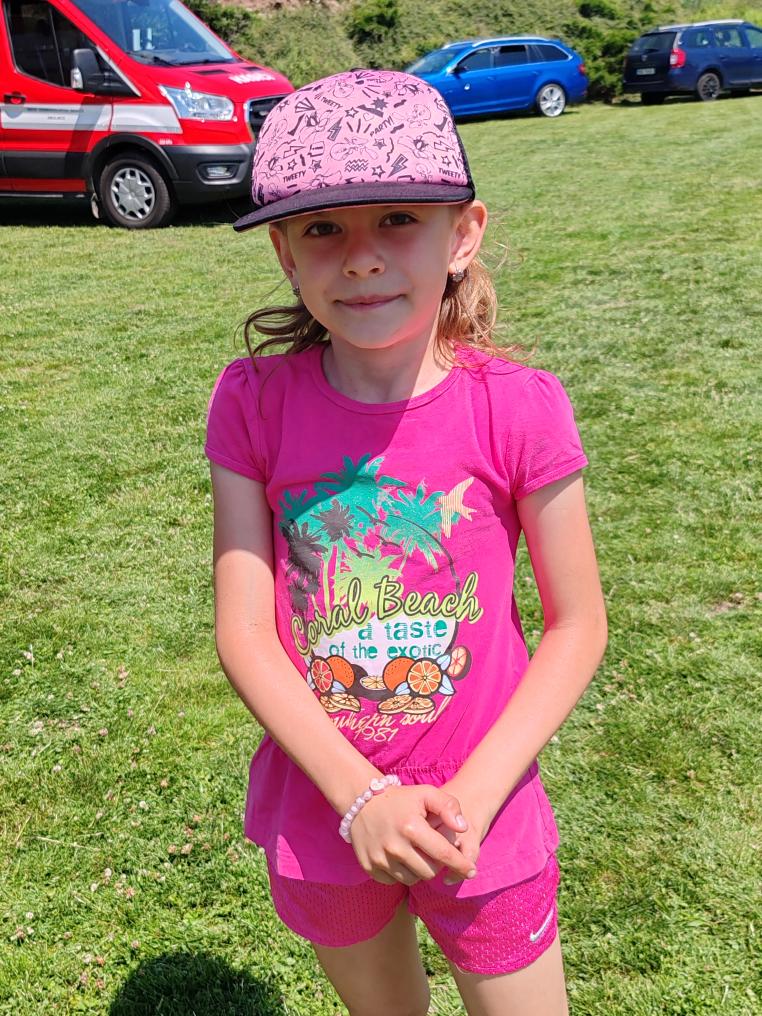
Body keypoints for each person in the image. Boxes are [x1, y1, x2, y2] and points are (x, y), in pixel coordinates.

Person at [205, 68, 607, 1016]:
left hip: (486, 816)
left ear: (462, 234)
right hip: (325, 809)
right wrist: (359, 799)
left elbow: (577, 625)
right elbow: (246, 630)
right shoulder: (251, 403)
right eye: (321, 228)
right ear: (283, 252)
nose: (360, 259)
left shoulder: (519, 408)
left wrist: (474, 795)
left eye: (397, 220)